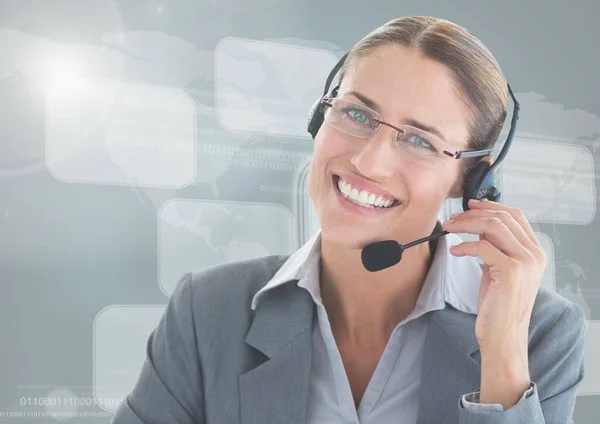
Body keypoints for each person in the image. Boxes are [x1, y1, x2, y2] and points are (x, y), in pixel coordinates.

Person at [111, 16, 586, 424]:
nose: (369, 161)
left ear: (471, 181)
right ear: (320, 119)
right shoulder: (207, 312)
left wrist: (502, 352)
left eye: (420, 141)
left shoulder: (539, 332)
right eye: (357, 113)